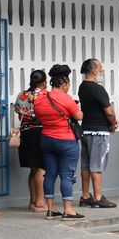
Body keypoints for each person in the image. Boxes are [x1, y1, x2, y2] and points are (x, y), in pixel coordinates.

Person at [34, 64, 85, 220]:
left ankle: (50, 209)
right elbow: (79, 116)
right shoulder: (66, 98)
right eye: (68, 84)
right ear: (64, 83)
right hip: (66, 141)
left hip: (47, 139)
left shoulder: (40, 98)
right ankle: (68, 210)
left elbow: (37, 116)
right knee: (66, 176)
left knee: (49, 175)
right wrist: (77, 108)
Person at [77, 59, 119, 208]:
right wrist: (113, 123)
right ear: (94, 70)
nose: (102, 71)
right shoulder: (98, 89)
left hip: (86, 130)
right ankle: (98, 197)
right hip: (99, 131)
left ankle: (85, 195)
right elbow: (108, 111)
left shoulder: (82, 87)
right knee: (97, 165)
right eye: (100, 69)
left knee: (86, 165)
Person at [15, 69, 48, 212]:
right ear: (44, 82)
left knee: (33, 169)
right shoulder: (44, 95)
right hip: (39, 131)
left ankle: (33, 201)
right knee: (41, 168)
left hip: (25, 132)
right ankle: (40, 203)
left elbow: (17, 109)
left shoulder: (22, 95)